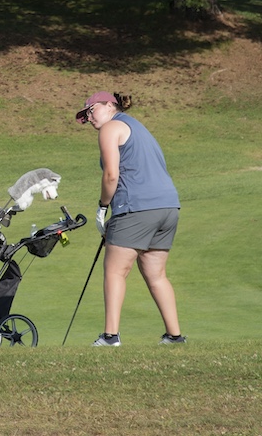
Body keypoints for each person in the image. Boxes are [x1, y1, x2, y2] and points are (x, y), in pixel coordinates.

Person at [76, 90, 185, 347]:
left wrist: (103, 207)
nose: (89, 118)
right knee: (156, 274)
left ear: (109, 105)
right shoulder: (137, 127)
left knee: (115, 271)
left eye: (91, 110)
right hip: (168, 207)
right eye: (86, 115)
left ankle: (110, 337)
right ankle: (174, 336)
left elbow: (111, 175)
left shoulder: (111, 127)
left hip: (136, 207)